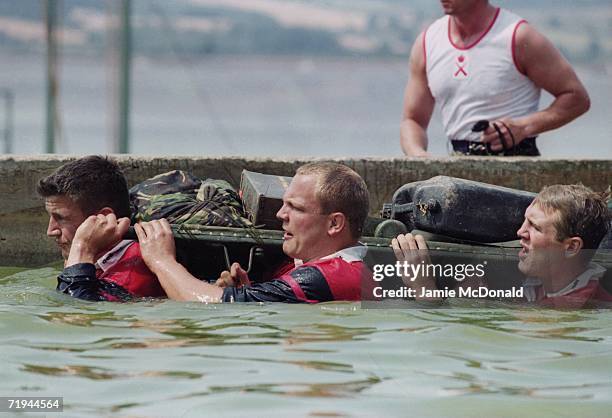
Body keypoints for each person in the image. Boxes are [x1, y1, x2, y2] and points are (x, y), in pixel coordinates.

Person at [65, 162, 372, 303]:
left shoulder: (328, 276)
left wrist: (162, 261)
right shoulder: (306, 265)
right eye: (284, 204)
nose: (280, 215)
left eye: (296, 208)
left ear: (335, 224)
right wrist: (249, 290)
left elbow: (209, 305)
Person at [400, 0, 590, 157]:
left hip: (516, 160)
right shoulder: (427, 42)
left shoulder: (519, 36)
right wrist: (419, 156)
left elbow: (577, 97)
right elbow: (412, 120)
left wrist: (524, 127)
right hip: (458, 162)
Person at [393, 184, 611, 308]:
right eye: (524, 221)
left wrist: (424, 290)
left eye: (534, 227)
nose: (520, 233)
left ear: (572, 247)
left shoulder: (578, 308)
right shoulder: (542, 286)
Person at [37, 156, 165, 301]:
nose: (50, 231)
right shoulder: (104, 260)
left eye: (61, 218)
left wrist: (81, 249)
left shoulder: (133, 269)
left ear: (102, 218)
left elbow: (72, 315)